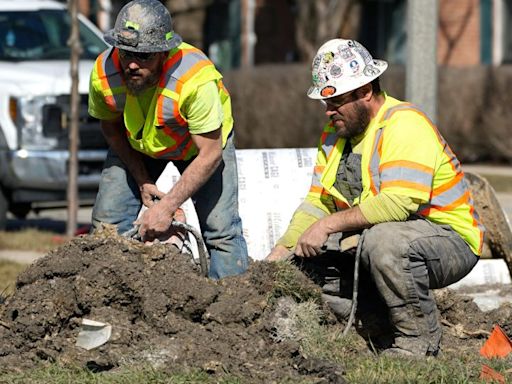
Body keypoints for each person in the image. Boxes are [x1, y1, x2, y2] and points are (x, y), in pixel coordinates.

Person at [266, 38, 484, 356]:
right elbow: (319, 201)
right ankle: (378, 325)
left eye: (336, 101)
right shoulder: (335, 136)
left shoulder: (404, 124)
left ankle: (418, 343)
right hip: (383, 243)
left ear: (365, 91)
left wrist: (327, 226)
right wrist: (282, 250)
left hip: (450, 242)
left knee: (384, 242)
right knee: (306, 265)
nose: (328, 111)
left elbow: (399, 202)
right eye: (326, 103)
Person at [88, 0, 248, 279]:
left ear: (164, 52)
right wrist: (142, 179)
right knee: (106, 228)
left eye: (145, 56)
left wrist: (167, 206)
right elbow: (111, 128)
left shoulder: (195, 81)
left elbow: (210, 155)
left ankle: (231, 312)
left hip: (199, 151)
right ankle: (105, 307)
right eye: (125, 53)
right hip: (137, 146)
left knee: (222, 232)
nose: (132, 64)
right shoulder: (104, 72)